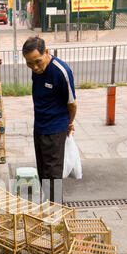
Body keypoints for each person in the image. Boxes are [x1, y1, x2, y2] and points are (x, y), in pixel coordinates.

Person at [22, 36, 77, 204]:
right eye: (30, 64)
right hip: (39, 127)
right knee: (43, 171)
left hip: (55, 128)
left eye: (37, 62)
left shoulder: (61, 71)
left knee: (53, 175)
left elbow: (72, 104)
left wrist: (69, 124)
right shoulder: (36, 69)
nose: (35, 67)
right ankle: (48, 206)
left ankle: (56, 215)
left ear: (46, 52)